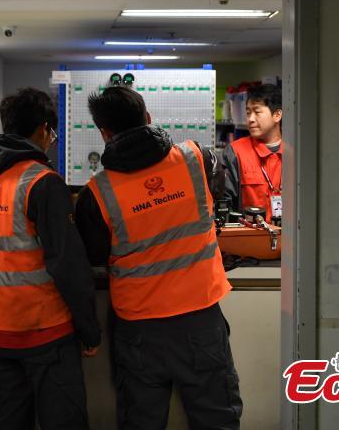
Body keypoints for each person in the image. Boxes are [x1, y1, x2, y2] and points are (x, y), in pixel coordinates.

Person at [75, 86, 241, 430]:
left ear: (104, 133)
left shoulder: (98, 192)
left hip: (139, 330)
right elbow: (221, 199)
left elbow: (93, 255)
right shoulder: (198, 158)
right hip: (200, 319)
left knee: (141, 422)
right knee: (217, 419)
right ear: (148, 118)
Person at [0, 88, 101, 430]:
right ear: (42, 130)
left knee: (10, 420)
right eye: (51, 133)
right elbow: (67, 263)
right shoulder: (43, 182)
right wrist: (89, 329)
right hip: (46, 330)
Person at [222, 83, 283, 222]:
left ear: (277, 115)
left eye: (257, 112)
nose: (251, 119)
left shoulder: (296, 154)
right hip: (248, 239)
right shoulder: (235, 152)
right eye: (248, 112)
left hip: (290, 239)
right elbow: (225, 205)